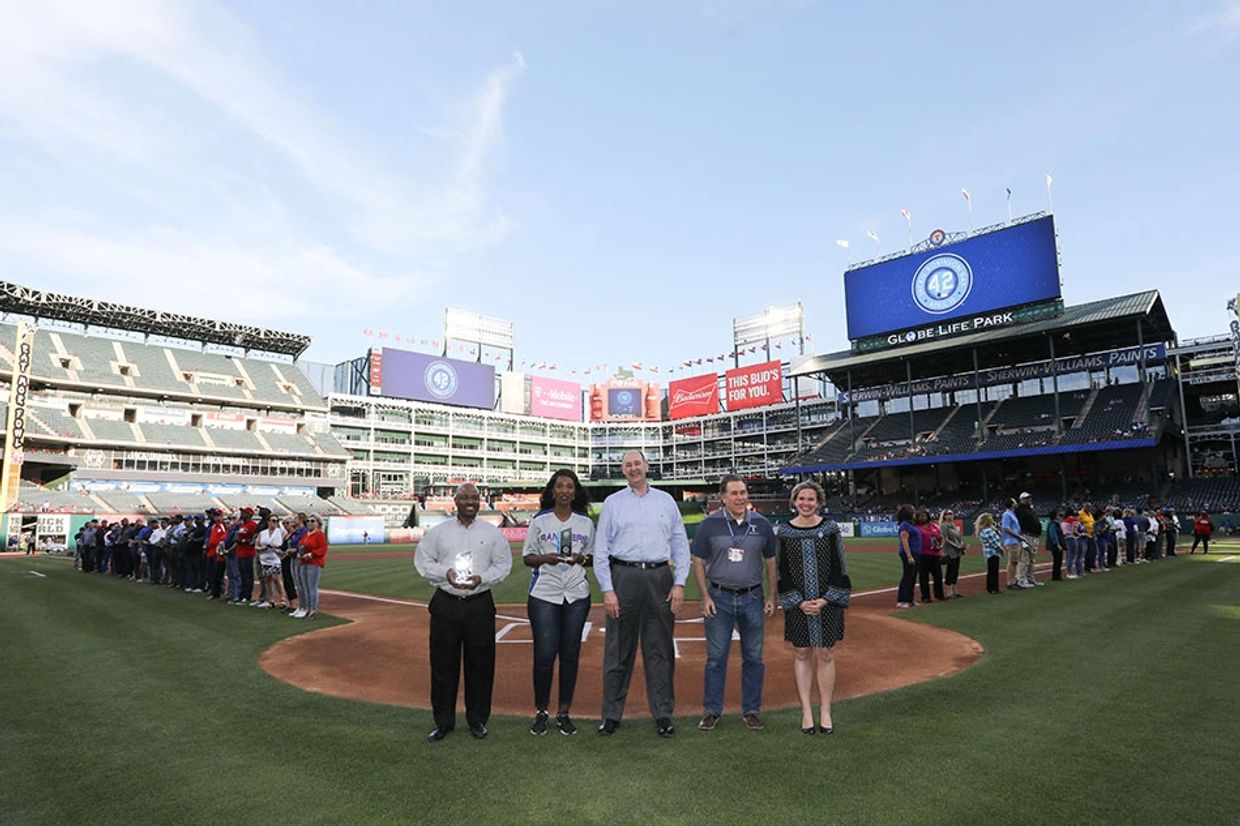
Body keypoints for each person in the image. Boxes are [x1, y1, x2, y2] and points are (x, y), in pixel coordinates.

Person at [594, 450, 690, 738]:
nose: (633, 468)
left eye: (637, 463)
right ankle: (611, 715)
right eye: (628, 465)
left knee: (659, 649)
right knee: (617, 650)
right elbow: (601, 550)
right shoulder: (613, 503)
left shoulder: (665, 501)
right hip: (623, 577)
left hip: (660, 577)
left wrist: (680, 582)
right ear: (622, 470)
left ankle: (663, 713)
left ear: (646, 466)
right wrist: (608, 589)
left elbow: (680, 544)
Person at [414, 482, 513, 742]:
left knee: (480, 665)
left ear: (480, 502)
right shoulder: (440, 532)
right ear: (455, 501)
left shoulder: (491, 533)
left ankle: (477, 720)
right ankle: (443, 722)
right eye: (465, 497)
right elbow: (423, 560)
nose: (470, 501)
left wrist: (482, 578)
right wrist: (444, 573)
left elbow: (503, 565)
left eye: (475, 497)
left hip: (479, 603)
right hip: (446, 602)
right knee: (442, 665)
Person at [692, 474, 777, 732]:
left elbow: (771, 562)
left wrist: (773, 596)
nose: (740, 497)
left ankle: (751, 711)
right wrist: (704, 596)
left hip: (752, 597)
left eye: (743, 492)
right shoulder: (709, 524)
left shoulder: (761, 524)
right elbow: (698, 561)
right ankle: (711, 711)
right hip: (719, 598)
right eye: (734, 493)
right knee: (716, 658)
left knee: (754, 657)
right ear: (723, 498)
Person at [521, 469, 595, 737]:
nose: (565, 491)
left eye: (570, 486)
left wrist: (579, 559)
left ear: (575, 491)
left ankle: (564, 712)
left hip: (576, 593)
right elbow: (527, 557)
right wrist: (545, 558)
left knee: (570, 655)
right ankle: (542, 711)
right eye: (560, 486)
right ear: (552, 491)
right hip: (545, 593)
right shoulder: (540, 521)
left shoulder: (585, 522)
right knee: (544, 654)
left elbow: (593, 557)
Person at [776, 480, 847, 734]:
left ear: (819, 502)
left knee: (826, 653)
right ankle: (807, 711)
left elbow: (840, 566)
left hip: (826, 602)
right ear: (794, 501)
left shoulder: (829, 528)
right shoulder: (784, 531)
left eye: (811, 499)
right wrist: (798, 601)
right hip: (799, 604)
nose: (806, 503)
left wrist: (826, 599)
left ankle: (825, 711)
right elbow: (781, 572)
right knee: (802, 652)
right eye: (801, 499)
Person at [293, 515, 328, 619]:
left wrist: (312, 554)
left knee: (311, 587)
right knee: (305, 587)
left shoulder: (319, 534)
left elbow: (323, 548)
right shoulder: (306, 534)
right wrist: (300, 552)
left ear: (318, 523)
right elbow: (300, 545)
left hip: (314, 562)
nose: (310, 523)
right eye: (308, 521)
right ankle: (307, 608)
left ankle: (312, 610)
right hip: (304, 561)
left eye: (312, 521)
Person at [255, 514, 288, 610]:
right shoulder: (262, 533)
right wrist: (262, 548)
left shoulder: (281, 532)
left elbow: (284, 544)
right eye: (273, 520)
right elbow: (256, 546)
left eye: (277, 521)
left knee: (276, 577)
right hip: (264, 559)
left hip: (275, 558)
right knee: (268, 579)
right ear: (268, 521)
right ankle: (271, 600)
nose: (275, 523)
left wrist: (278, 548)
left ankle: (283, 598)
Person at [915, 508, 944, 603]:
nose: (923, 517)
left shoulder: (934, 526)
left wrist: (941, 545)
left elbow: (940, 537)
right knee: (924, 577)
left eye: (924, 515)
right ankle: (926, 596)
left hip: (935, 553)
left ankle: (939, 594)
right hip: (922, 555)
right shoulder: (917, 528)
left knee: (938, 576)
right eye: (921, 516)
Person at [1015, 492, 1043, 586]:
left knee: (1031, 560)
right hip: (1026, 536)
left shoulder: (1029, 509)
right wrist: (1021, 537)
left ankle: (1030, 579)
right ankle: (1021, 580)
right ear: (1022, 500)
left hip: (1034, 536)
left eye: (1029, 498)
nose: (1029, 500)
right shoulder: (1019, 509)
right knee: (1024, 559)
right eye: (1027, 498)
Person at [895, 504, 920, 608]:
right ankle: (902, 600)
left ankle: (910, 599)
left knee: (913, 576)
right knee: (907, 575)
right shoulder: (905, 525)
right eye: (913, 512)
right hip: (908, 553)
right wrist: (909, 556)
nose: (915, 514)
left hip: (915, 552)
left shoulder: (912, 524)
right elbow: (904, 541)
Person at [940, 510, 966, 598]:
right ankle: (948, 592)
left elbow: (958, 537)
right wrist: (956, 546)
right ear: (944, 516)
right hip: (950, 551)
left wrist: (961, 545)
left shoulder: (953, 525)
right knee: (950, 570)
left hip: (957, 551)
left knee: (955, 570)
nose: (950, 515)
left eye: (951, 513)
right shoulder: (944, 526)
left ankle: (955, 590)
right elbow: (946, 539)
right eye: (948, 514)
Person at [1002, 499, 1026, 590]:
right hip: (1012, 541)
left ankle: (1013, 581)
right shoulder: (1007, 514)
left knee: (1015, 562)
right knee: (1012, 562)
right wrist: (1018, 536)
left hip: (1016, 540)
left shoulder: (1012, 514)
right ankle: (1010, 582)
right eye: (1014, 502)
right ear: (1011, 504)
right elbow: (1006, 528)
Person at [976, 512, 1003, 594]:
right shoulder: (987, 530)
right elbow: (993, 542)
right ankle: (994, 588)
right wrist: (1000, 549)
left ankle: (991, 587)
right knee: (993, 571)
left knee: (991, 571)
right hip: (993, 552)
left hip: (989, 553)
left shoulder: (984, 530)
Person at [1046, 508, 1065, 581]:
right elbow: (1053, 535)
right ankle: (1056, 576)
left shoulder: (1054, 524)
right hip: (1056, 545)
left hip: (1057, 544)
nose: (1058, 516)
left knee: (1058, 560)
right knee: (1057, 560)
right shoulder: (1053, 524)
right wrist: (1057, 544)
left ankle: (1057, 575)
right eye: (1057, 515)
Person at [1062, 512, 1083, 579]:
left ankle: (1068, 572)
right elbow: (1075, 531)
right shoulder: (1074, 520)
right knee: (1072, 556)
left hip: (1065, 538)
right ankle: (1070, 573)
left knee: (1068, 556)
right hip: (1071, 538)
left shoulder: (1065, 520)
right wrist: (1080, 534)